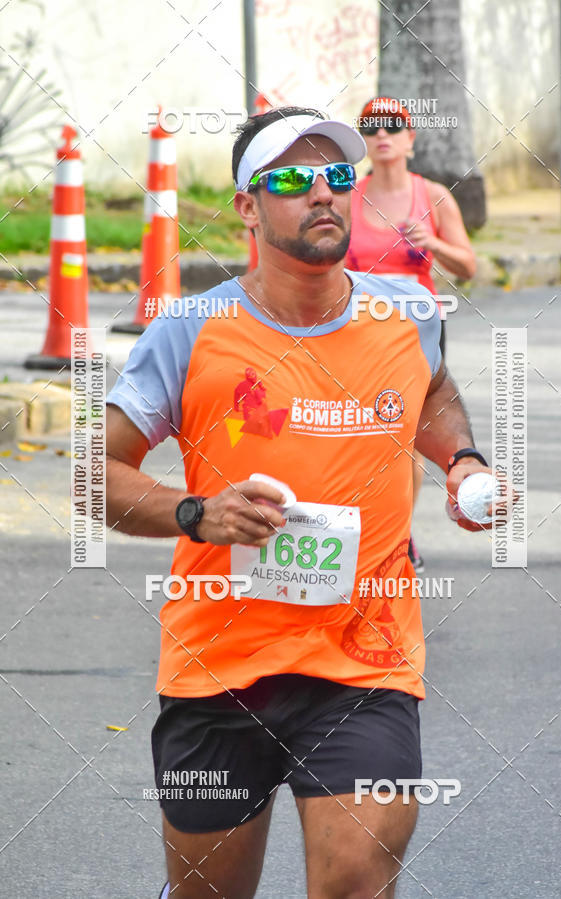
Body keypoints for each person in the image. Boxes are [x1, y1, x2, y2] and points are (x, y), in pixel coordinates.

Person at [106, 106, 499, 899]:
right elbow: (95, 474)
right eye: (290, 179)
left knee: (358, 876)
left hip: (367, 657)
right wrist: (196, 512)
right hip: (219, 666)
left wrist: (460, 458)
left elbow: (432, 395)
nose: (321, 193)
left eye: (337, 177)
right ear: (248, 206)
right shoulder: (191, 329)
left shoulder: (409, 313)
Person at [346, 96, 477, 573]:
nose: (382, 135)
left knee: (406, 434)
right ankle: (357, 528)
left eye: (392, 127)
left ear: (409, 139)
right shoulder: (348, 196)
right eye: (371, 128)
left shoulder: (434, 196)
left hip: (417, 330)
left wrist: (433, 242)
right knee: (356, 432)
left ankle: (398, 534)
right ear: (363, 140)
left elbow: (469, 266)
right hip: (357, 329)